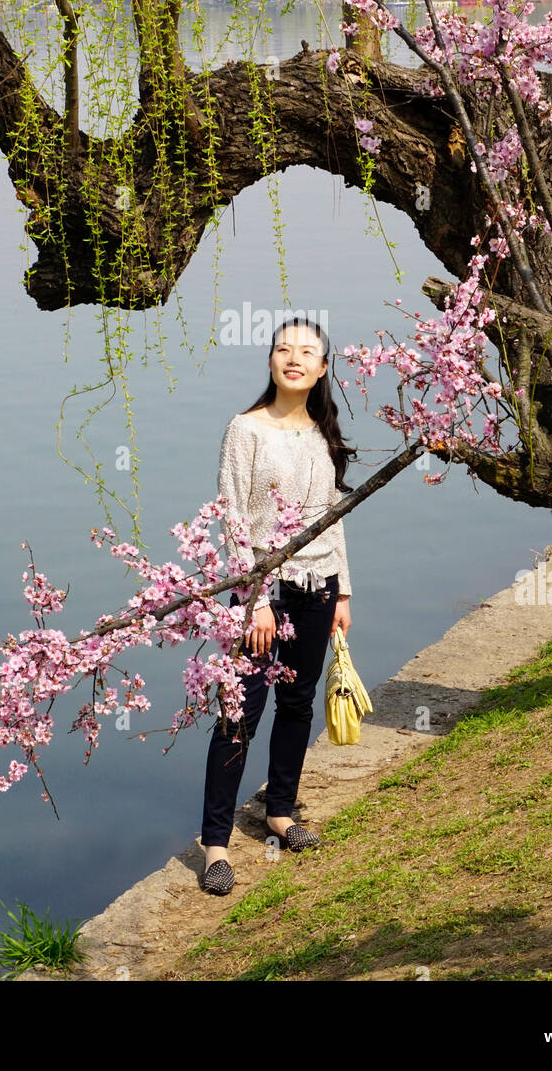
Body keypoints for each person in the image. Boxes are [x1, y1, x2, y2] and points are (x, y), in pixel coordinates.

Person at [200, 318, 357, 895]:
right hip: (266, 593)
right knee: (239, 713)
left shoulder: (323, 432)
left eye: (307, 351)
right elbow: (233, 520)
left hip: (319, 588)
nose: (293, 358)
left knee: (298, 703)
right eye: (283, 349)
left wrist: (343, 592)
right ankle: (215, 843)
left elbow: (331, 517)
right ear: (270, 361)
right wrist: (256, 601)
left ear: (321, 369)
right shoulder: (245, 430)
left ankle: (280, 811)